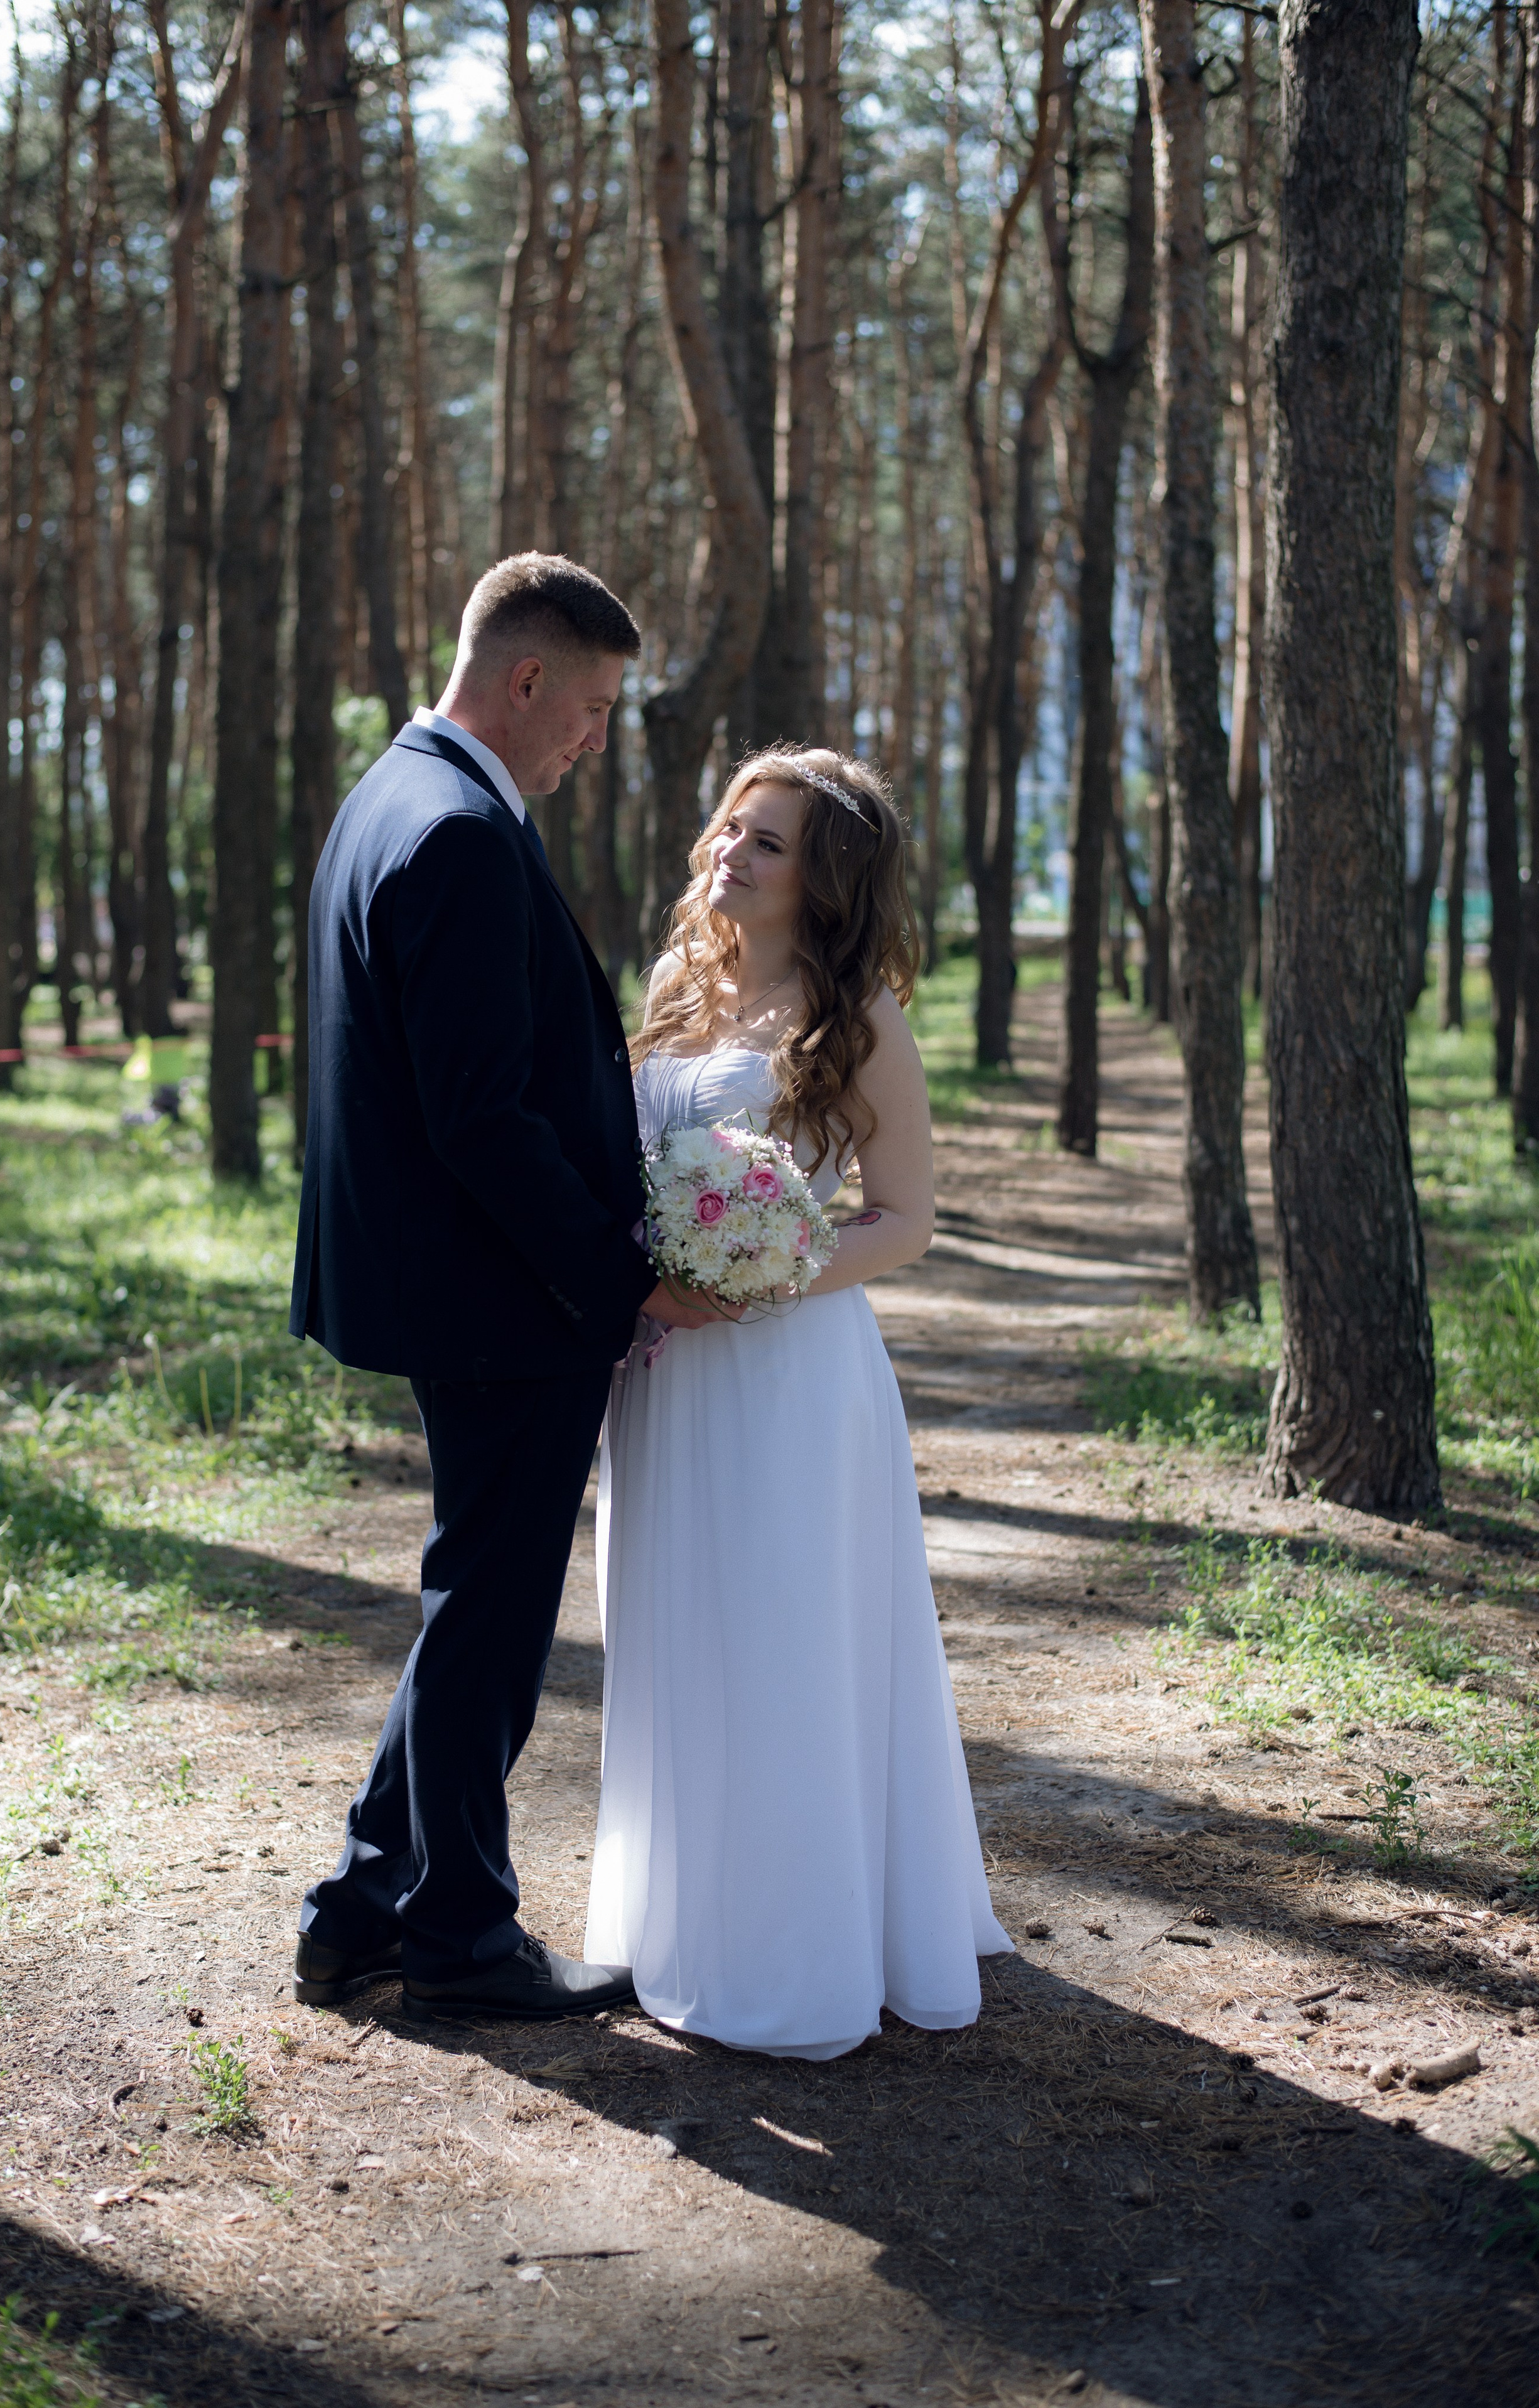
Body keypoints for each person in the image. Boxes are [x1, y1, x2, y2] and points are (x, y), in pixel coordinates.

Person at [289, 553, 715, 2023]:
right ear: (526, 678)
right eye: (592, 707)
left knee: (471, 1601)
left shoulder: (390, 795)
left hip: (449, 1282)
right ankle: (461, 1936)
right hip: (501, 1297)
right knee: (489, 1616)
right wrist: (619, 1280)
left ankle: (359, 1909)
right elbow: (481, 1115)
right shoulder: (462, 830)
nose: (596, 739)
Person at [584, 746, 1012, 2060]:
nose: (728, 853)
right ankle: (684, 1915)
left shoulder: (859, 1023)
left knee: (783, 1638)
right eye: (727, 826)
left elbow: (905, 1221)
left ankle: (801, 1943)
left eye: (765, 842)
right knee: (673, 1627)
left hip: (788, 1373)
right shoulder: (672, 988)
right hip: (662, 1371)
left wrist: (766, 1273)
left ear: (821, 880)